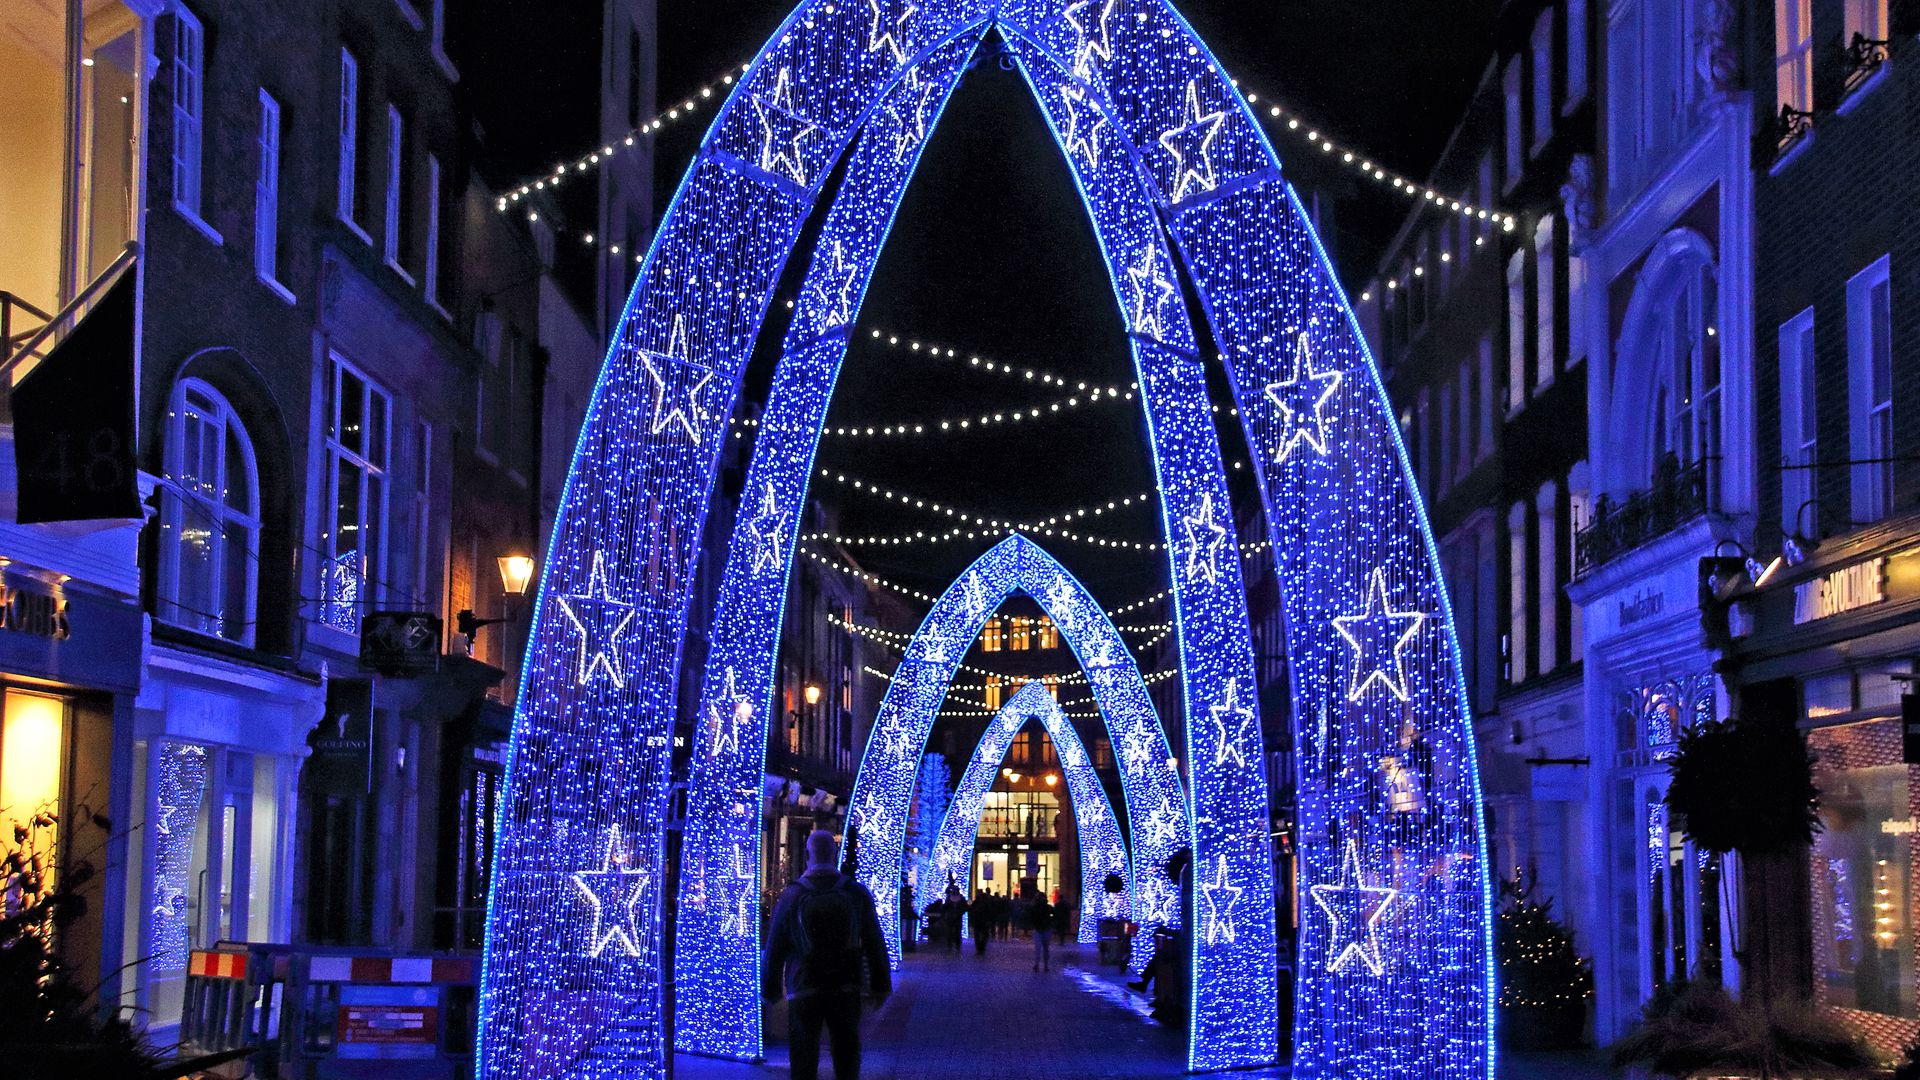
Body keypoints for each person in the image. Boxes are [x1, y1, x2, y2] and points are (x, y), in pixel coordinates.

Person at [764, 830, 892, 1080]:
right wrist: (880, 985)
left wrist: (770, 991)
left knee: (803, 1054)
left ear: (808, 855)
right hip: (846, 983)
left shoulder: (793, 895)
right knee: (846, 1051)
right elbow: (875, 940)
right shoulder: (855, 893)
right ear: (834, 854)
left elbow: (775, 945)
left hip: (803, 985)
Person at [1029, 891, 1055, 971]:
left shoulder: (1035, 907)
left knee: (1038, 948)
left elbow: (1030, 916)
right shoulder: (1048, 907)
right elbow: (1054, 914)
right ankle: (1045, 966)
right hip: (1046, 928)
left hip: (1038, 929)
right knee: (1045, 948)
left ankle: (1037, 964)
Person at [899, 876, 917, 954]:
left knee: (907, 931)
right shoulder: (906, 900)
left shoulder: (906, 900)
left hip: (907, 916)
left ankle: (908, 945)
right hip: (907, 916)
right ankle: (908, 945)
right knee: (907, 931)